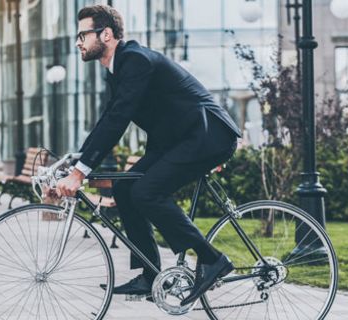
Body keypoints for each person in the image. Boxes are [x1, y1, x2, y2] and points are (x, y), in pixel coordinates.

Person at [55, 4, 242, 306]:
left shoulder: (135, 60)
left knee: (146, 192)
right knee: (127, 187)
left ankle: (212, 260)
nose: (78, 42)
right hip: (180, 140)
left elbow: (118, 119)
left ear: (106, 35)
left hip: (207, 136)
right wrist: (77, 160)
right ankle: (150, 273)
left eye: (82, 34)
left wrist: (80, 173)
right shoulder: (119, 69)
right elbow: (109, 119)